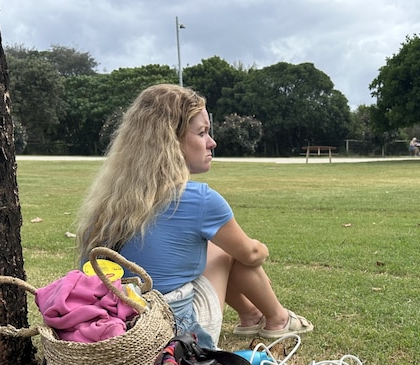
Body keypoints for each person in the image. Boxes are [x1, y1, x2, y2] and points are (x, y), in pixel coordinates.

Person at [75, 84, 313, 349]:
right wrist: (261, 248)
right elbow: (251, 255)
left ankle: (250, 315)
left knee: (212, 246)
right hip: (177, 335)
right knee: (227, 251)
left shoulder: (110, 198)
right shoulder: (198, 199)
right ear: (170, 142)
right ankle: (278, 319)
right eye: (202, 133)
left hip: (115, 328)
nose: (212, 142)